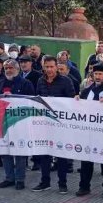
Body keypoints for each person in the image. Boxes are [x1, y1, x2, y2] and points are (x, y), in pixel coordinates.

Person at [30, 57, 77, 193]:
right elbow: (37, 99)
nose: (49, 69)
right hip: (44, 124)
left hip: (60, 125)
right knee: (44, 154)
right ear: (43, 67)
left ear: (57, 67)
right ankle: (45, 182)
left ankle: (62, 184)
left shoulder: (66, 81)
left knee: (61, 155)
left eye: (52, 66)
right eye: (47, 67)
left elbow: (71, 101)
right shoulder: (40, 80)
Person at [76, 64, 103, 198]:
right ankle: (84, 186)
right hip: (88, 132)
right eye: (96, 74)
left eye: (101, 74)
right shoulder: (86, 91)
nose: (98, 76)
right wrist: (76, 101)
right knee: (86, 161)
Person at [0, 59, 35, 190]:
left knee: (20, 152)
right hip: (3, 123)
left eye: (11, 68)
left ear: (17, 69)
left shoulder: (26, 83)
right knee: (5, 151)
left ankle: (20, 179)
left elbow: (31, 102)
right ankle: (9, 178)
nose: (8, 70)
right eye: (6, 68)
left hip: (20, 123)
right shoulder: (0, 83)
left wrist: (14, 98)